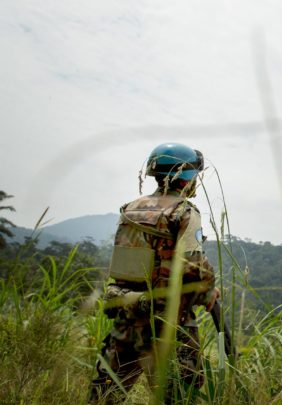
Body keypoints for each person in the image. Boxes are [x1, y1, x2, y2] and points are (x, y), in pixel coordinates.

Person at [89, 143, 220, 404]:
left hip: (127, 317)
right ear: (186, 178)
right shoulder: (184, 211)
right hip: (169, 323)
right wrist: (210, 290)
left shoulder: (130, 209)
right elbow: (193, 266)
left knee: (105, 396)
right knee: (180, 396)